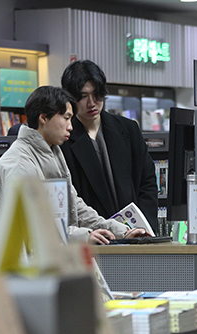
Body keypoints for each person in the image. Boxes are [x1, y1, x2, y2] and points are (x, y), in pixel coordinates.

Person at [0, 86, 147, 244]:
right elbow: (33, 223)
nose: (71, 126)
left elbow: (75, 206)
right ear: (43, 118)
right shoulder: (19, 162)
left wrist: (120, 231)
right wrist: (83, 236)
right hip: (20, 265)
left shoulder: (53, 151)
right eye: (66, 118)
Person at [60, 60, 159, 233]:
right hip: (94, 237)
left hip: (136, 233)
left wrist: (142, 226)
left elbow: (147, 181)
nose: (92, 102)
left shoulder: (128, 129)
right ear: (70, 98)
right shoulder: (64, 139)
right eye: (83, 96)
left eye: (96, 94)